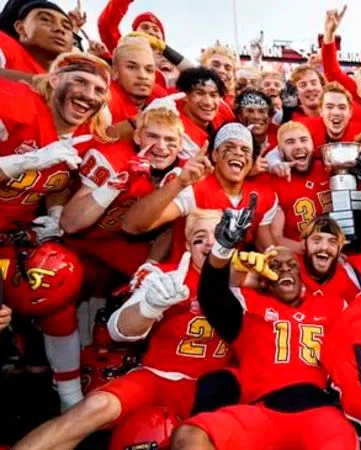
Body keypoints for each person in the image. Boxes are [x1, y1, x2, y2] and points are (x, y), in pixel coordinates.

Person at [13, 211, 232, 450]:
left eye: (219, 236)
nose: (210, 243)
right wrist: (150, 306)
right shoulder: (166, 277)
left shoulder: (250, 279)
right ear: (188, 246)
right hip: (159, 377)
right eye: (200, 238)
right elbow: (119, 330)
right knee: (96, 405)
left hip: (217, 387)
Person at [169, 212, 355, 450]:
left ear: (301, 280)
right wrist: (223, 249)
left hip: (320, 412)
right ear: (264, 280)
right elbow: (211, 293)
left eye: (292, 266)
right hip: (263, 412)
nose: (285, 270)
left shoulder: (334, 306)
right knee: (189, 435)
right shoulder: (250, 306)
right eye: (275, 266)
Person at [0, 51, 110, 411]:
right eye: (80, 81)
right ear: (54, 79)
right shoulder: (16, 103)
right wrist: (24, 162)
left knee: (56, 282)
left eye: (99, 89)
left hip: (11, 236)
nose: (89, 94)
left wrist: (55, 214)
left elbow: (59, 180)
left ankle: (69, 400)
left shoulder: (85, 135)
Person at [123, 122, 279, 259]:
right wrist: (179, 183)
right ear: (215, 155)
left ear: (251, 161)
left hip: (231, 277)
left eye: (245, 150)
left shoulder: (262, 196)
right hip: (186, 277)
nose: (238, 152)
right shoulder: (194, 188)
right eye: (229, 147)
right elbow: (133, 225)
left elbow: (266, 248)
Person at [60, 106, 184, 277]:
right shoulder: (113, 158)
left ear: (181, 144)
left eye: (170, 139)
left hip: (120, 241)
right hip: (76, 239)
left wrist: (149, 267)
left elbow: (169, 231)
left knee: (165, 272)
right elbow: (70, 224)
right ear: (137, 136)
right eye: (152, 136)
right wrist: (118, 183)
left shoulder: (182, 174)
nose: (161, 146)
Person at [267, 121, 330, 252]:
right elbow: (276, 237)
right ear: (280, 151)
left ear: (312, 144)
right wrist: (310, 249)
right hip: (297, 254)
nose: (299, 146)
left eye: (303, 140)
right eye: (290, 142)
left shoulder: (329, 168)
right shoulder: (273, 181)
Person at [0, 1, 73, 82]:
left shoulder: (70, 75)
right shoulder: (4, 44)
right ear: (21, 28)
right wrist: (41, 83)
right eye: (46, 20)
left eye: (66, 27)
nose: (60, 29)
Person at [298, 217, 361, 302]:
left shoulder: (342, 276)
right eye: (317, 241)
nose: (324, 247)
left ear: (339, 249)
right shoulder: (290, 270)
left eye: (332, 242)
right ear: (304, 244)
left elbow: (360, 305)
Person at [173, 67, 226, 160]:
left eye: (213, 95)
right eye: (200, 93)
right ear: (185, 95)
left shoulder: (222, 119)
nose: (208, 102)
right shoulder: (172, 127)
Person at [97, 0, 164, 52]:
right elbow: (108, 24)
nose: (151, 32)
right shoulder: (124, 51)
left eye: (156, 30)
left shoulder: (169, 60)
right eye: (145, 27)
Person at [234, 88, 275, 155]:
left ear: (270, 117)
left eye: (262, 111)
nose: (256, 117)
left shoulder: (280, 141)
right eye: (249, 111)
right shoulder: (229, 143)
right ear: (239, 115)